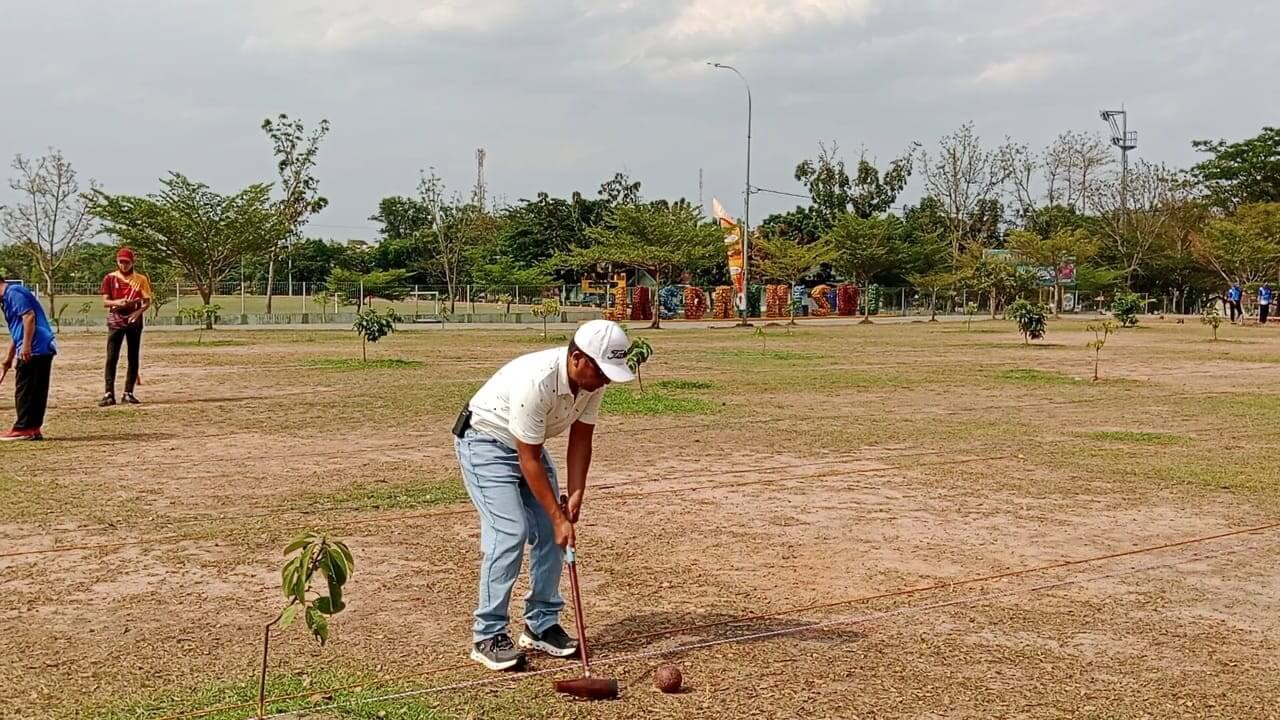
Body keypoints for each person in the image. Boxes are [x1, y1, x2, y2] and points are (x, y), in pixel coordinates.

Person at [453, 320, 634, 671]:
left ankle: (541, 624)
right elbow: (528, 459)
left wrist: (576, 492)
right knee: (510, 532)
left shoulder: (592, 381)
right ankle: (487, 634)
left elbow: (581, 439)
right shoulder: (537, 381)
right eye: (602, 370)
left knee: (556, 534)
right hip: (485, 442)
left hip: (526, 446)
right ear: (578, 358)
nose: (607, 380)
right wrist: (555, 515)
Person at [0, 276, 57, 441]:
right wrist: (9, 356)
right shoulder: (8, 298)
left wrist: (26, 346)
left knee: (25, 389)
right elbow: (17, 328)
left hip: (36, 347)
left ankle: (23, 428)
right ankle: (33, 428)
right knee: (36, 390)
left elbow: (29, 317)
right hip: (38, 347)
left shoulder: (13, 293)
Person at [98, 247, 152, 406]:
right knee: (111, 357)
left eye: (127, 262)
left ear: (132, 262)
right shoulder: (110, 278)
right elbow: (105, 301)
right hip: (116, 319)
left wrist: (138, 313)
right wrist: (117, 302)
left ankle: (128, 392)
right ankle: (108, 393)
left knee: (133, 356)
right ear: (117, 262)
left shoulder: (140, 279)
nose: (124, 266)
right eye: (121, 262)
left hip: (134, 321)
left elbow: (147, 300)